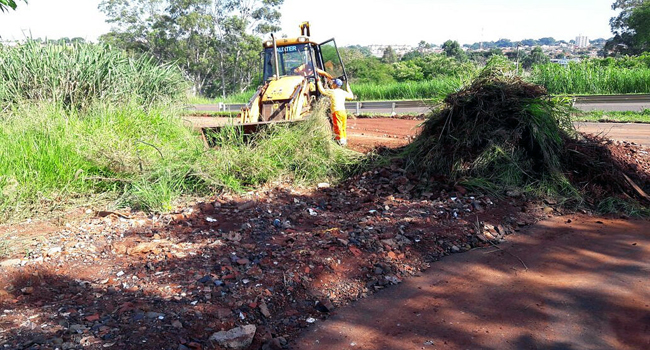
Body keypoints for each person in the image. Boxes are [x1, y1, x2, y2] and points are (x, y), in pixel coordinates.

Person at [317, 78, 355, 146]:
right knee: (343, 126)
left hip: (337, 111)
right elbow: (351, 96)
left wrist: (318, 81)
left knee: (338, 126)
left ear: (335, 85)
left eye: (333, 83)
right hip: (343, 112)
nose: (332, 84)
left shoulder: (332, 91)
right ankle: (344, 139)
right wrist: (348, 87)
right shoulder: (343, 92)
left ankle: (340, 141)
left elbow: (322, 91)